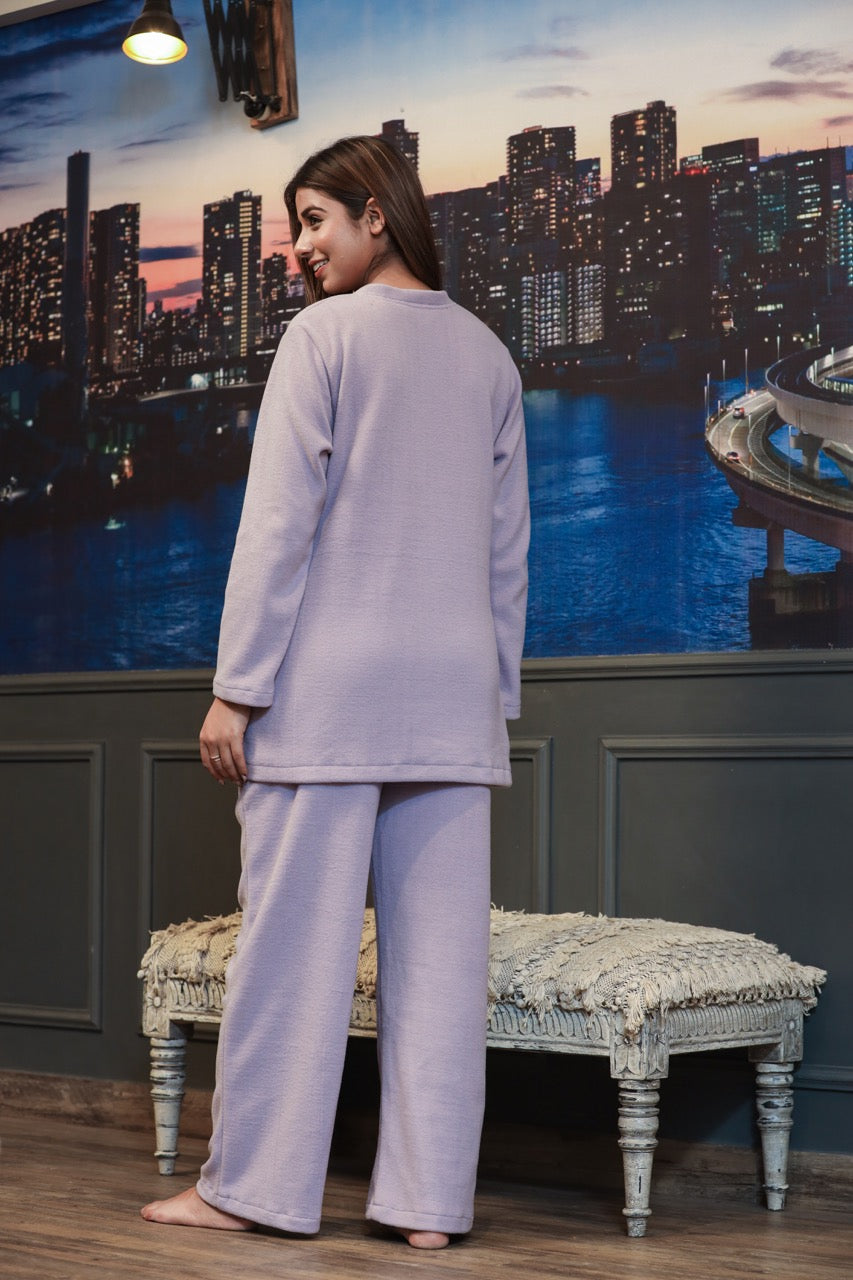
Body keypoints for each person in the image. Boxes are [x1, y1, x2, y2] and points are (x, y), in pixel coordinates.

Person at [141, 135, 529, 1250]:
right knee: (442, 964)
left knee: (289, 956)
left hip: (329, 694)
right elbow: (507, 553)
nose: (301, 247)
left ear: (376, 213)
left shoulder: (322, 338)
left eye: (314, 220)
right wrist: (492, 692)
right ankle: (428, 1205)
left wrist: (237, 688)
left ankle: (250, 1189)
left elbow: (278, 525)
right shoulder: (489, 356)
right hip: (453, 699)